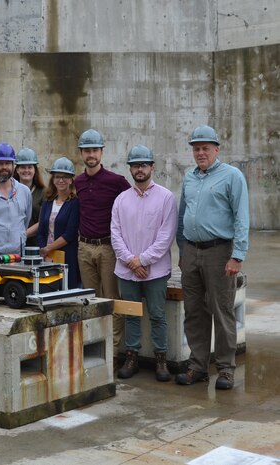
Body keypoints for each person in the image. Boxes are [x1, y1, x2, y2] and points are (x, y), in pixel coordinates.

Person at [175, 125, 249, 390]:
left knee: (223, 310)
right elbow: (183, 213)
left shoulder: (232, 176)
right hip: (192, 252)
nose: (200, 152)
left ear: (217, 149)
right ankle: (198, 366)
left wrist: (237, 255)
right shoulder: (190, 178)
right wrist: (182, 249)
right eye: (196, 148)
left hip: (220, 252)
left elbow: (242, 216)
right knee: (194, 312)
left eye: (205, 148)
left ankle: (226, 369)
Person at [110, 145, 178, 382]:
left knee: (158, 314)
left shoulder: (166, 198)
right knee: (131, 314)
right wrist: (131, 261)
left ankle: (161, 360)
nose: (139, 169)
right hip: (127, 270)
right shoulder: (121, 200)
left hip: (155, 270)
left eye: (144, 165)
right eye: (135, 165)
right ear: (130, 169)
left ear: (152, 167)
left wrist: (143, 260)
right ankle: (132, 357)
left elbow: (166, 236)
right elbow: (115, 235)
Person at [75, 129, 131, 367]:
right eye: (87, 151)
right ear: (81, 153)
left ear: (101, 152)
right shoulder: (77, 181)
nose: (91, 155)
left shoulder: (116, 182)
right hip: (84, 247)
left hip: (108, 248)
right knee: (91, 300)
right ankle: (95, 346)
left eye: (95, 150)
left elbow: (132, 205)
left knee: (111, 299)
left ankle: (115, 352)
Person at [37, 157, 80, 288]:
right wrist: (44, 251)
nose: (61, 180)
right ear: (53, 179)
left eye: (65, 177)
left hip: (67, 257)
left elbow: (70, 234)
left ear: (71, 179)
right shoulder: (47, 202)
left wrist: (47, 249)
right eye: (57, 176)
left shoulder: (74, 203)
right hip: (47, 258)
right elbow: (41, 231)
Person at [14, 148, 45, 247]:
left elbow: (44, 221)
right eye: (22, 167)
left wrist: (21, 235)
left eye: (30, 167)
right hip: (12, 246)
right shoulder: (9, 191)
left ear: (35, 170)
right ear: (17, 170)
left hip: (35, 246)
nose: (26, 170)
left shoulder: (44, 193)